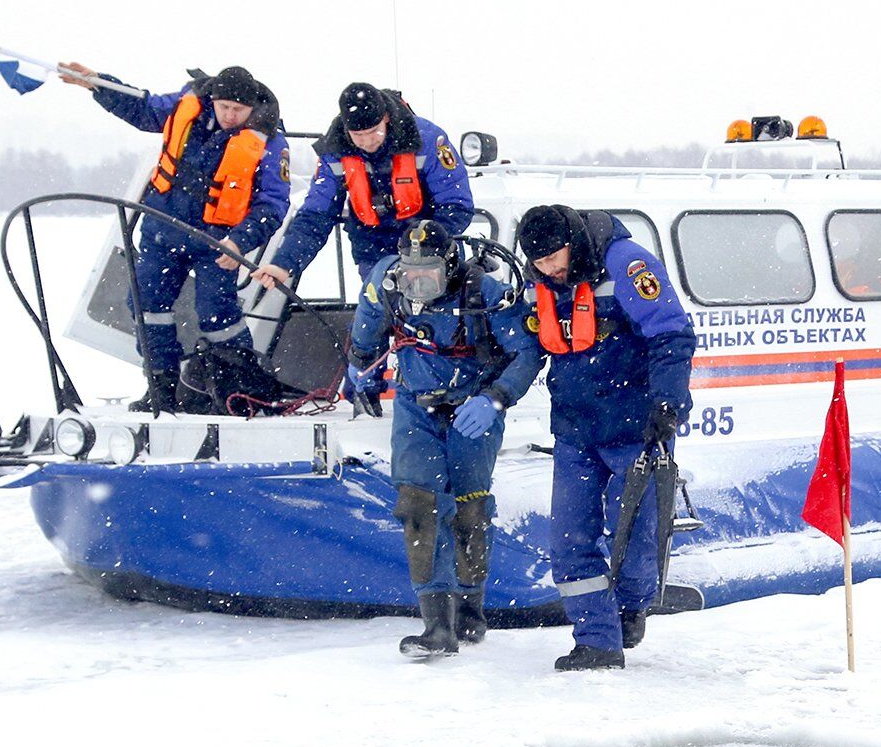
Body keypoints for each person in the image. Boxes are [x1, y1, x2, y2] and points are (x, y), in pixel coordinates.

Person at [343, 220, 542, 658]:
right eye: (410, 272)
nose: (417, 283)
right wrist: (358, 361)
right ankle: (437, 626)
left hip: (472, 406)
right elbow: (370, 316)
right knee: (418, 504)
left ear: (449, 266)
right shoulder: (387, 280)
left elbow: (527, 352)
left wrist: (496, 398)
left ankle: (470, 609)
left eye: (428, 273)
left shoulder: (487, 297)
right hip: (417, 406)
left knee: (469, 508)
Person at [515, 205, 696, 671]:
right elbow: (531, 343)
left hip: (636, 428)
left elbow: (672, 335)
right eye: (540, 264)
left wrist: (668, 404)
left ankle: (632, 607)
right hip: (575, 430)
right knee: (568, 539)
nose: (550, 270)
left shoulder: (627, 263)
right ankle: (596, 641)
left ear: (574, 243)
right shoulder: (540, 283)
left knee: (636, 535)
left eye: (556, 259)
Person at [59, 63, 291, 412]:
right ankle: (161, 387)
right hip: (163, 231)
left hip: (219, 243)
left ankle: (237, 390)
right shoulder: (186, 106)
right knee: (145, 302)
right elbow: (142, 107)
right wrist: (98, 85)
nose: (229, 116)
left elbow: (272, 204)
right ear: (212, 100)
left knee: (217, 314)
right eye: (224, 106)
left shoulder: (269, 143)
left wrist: (240, 242)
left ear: (250, 109)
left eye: (238, 110)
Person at [253, 82, 473, 292]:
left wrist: (428, 245)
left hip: (432, 251)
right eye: (358, 135)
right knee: (381, 315)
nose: (367, 142)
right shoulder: (334, 151)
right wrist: (284, 264)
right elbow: (316, 214)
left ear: (385, 117)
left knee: (438, 316)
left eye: (373, 132)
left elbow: (456, 203)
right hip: (373, 251)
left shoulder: (427, 139)